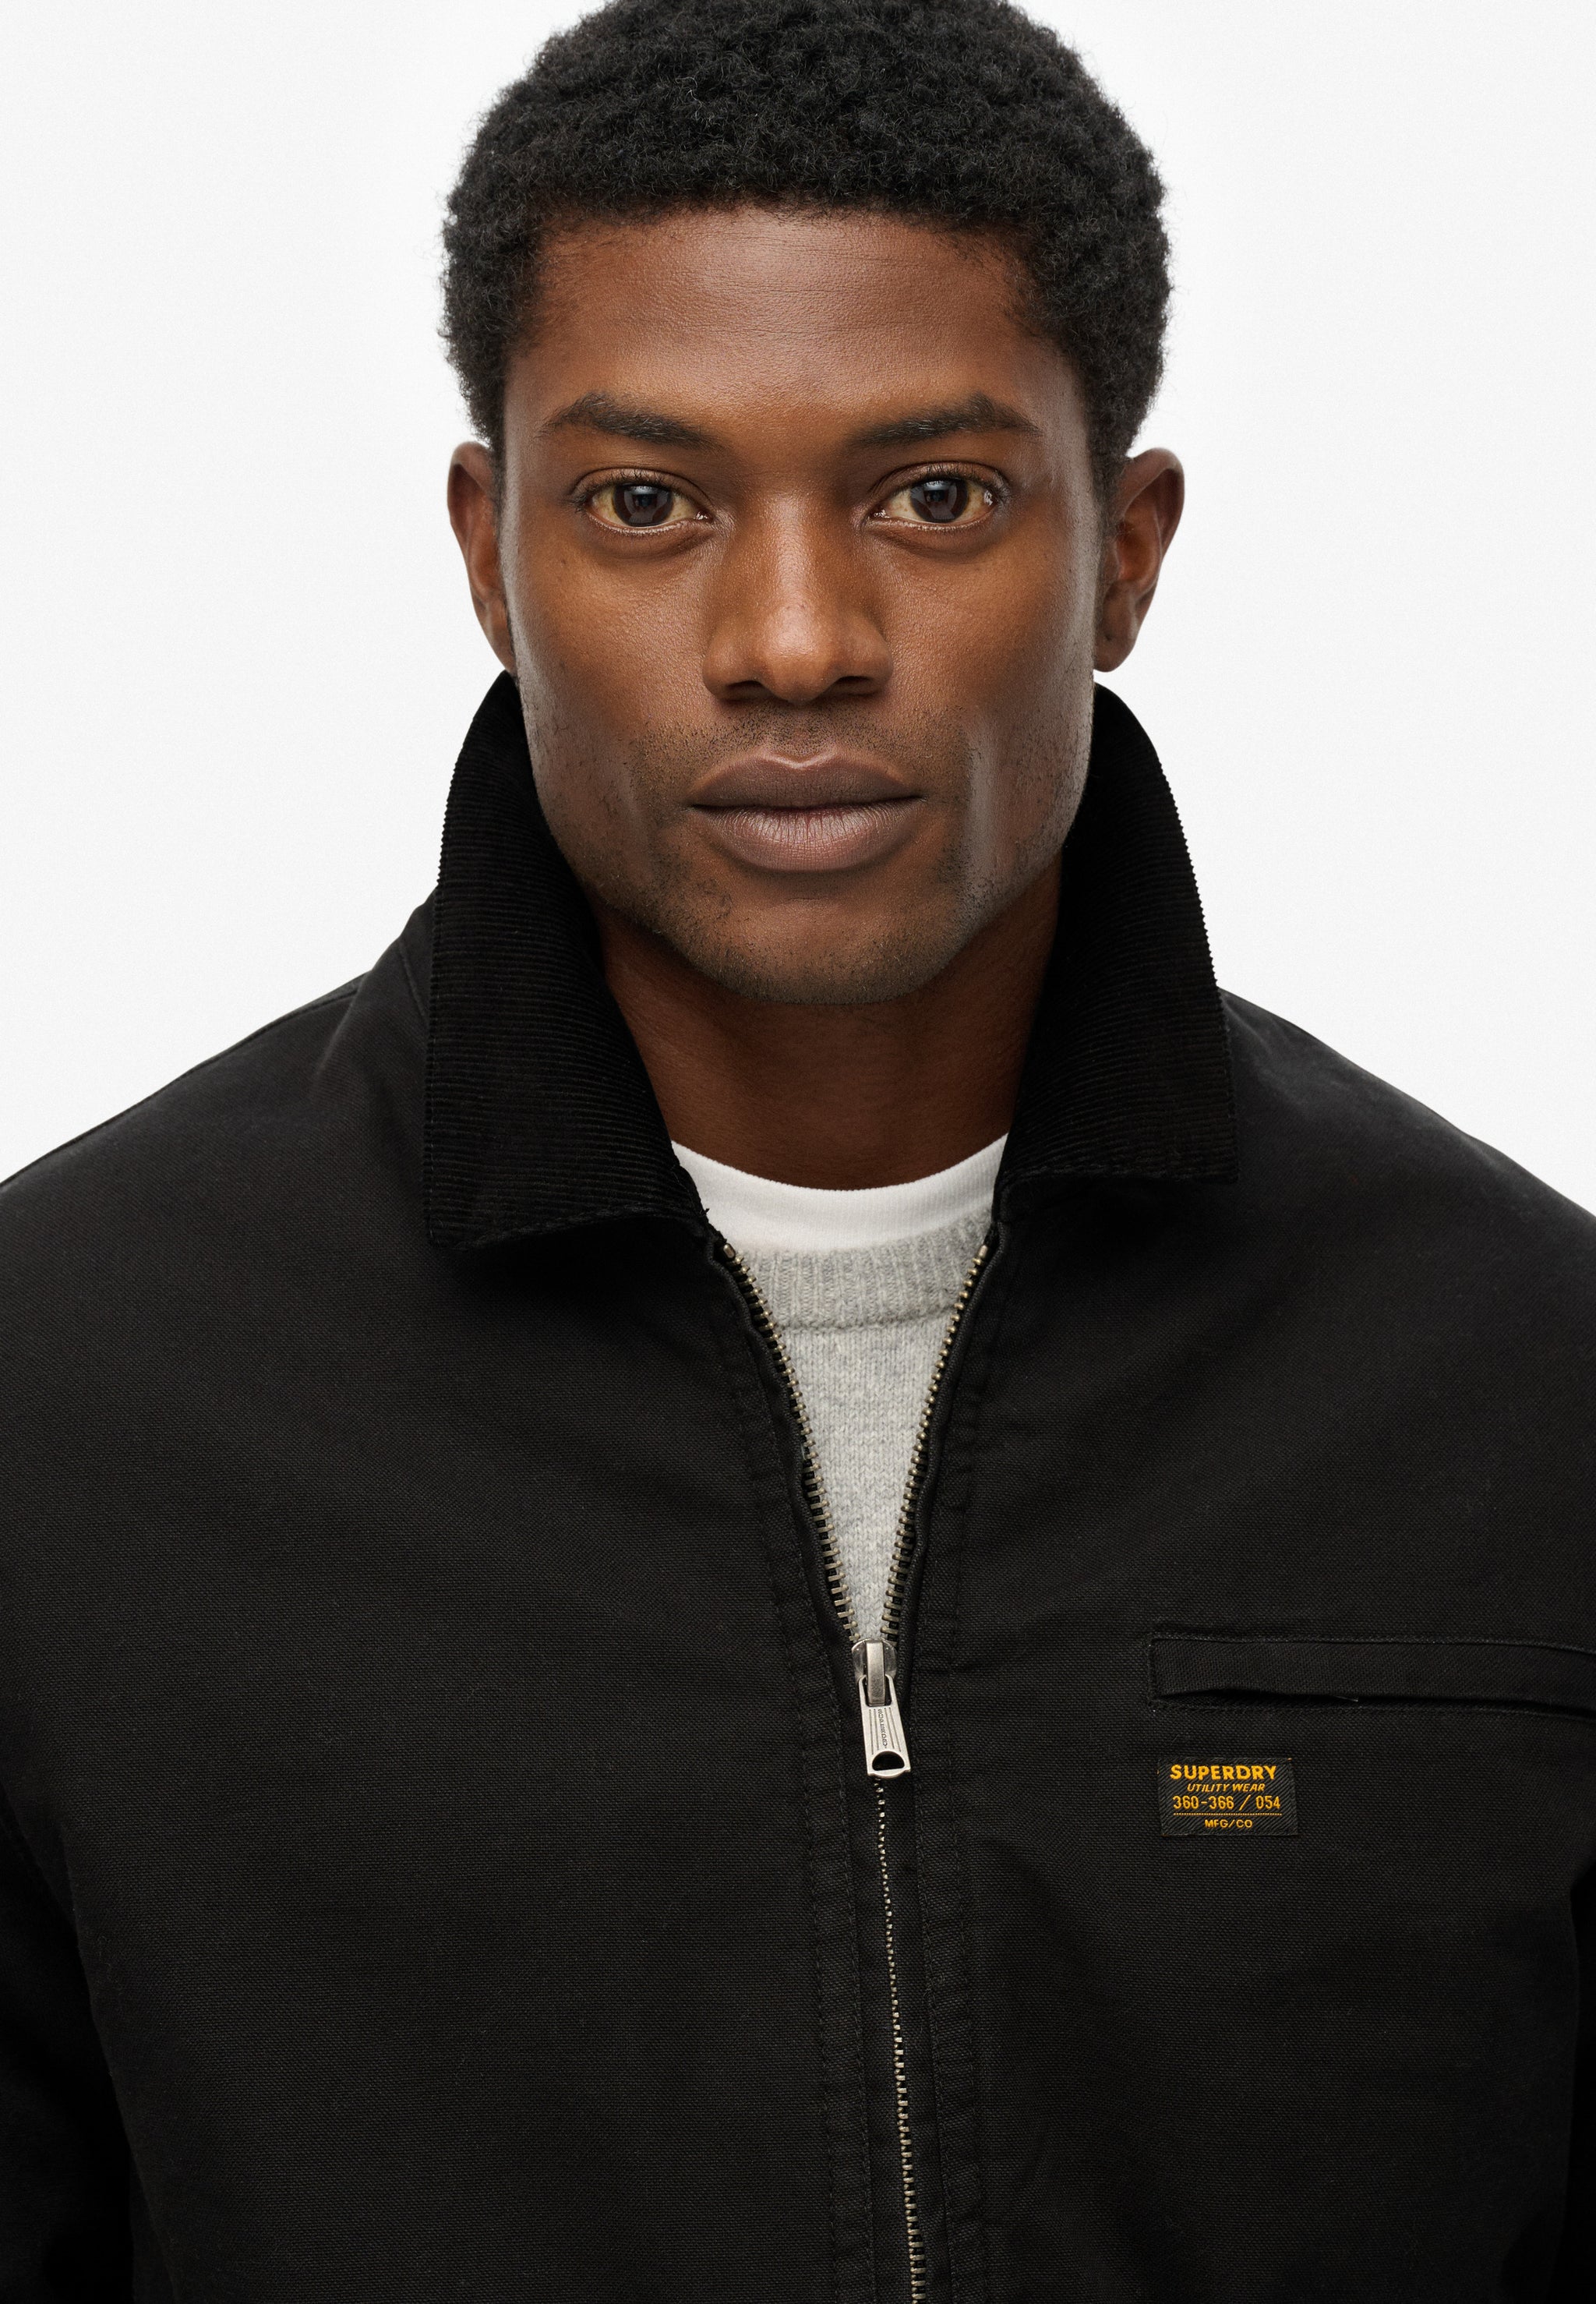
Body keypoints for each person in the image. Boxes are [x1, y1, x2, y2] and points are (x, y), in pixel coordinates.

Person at [2, 0, 1593, 2295]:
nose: (792, 640)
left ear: (1126, 553)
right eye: (646, 503)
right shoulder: (68, 1396)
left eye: (934, 496)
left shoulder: (1523, 1384)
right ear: (489, 552)